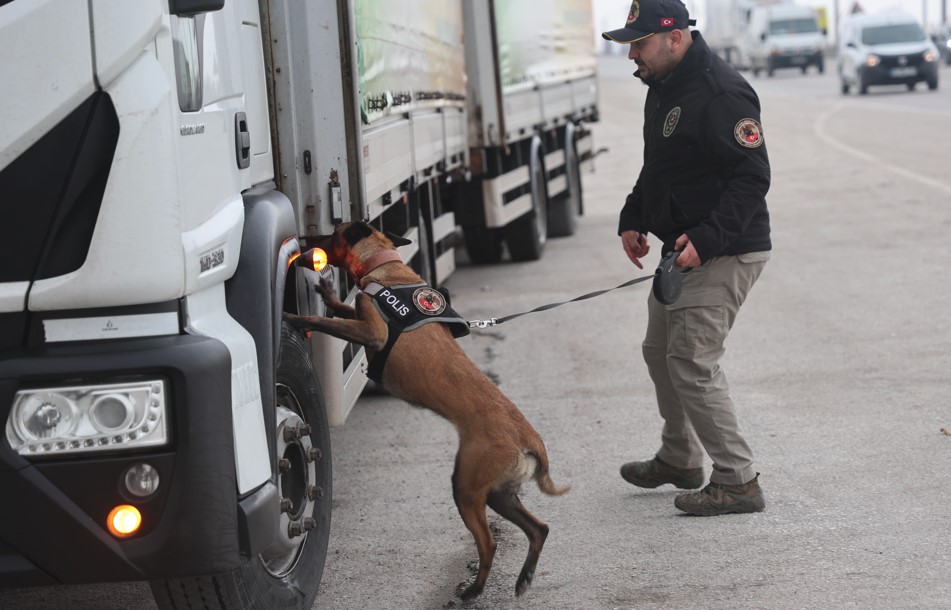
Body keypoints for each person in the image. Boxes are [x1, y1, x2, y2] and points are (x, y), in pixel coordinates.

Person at [602, 0, 772, 516]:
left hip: (725, 249)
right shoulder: (665, 86)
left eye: (640, 42)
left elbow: (752, 177)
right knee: (661, 352)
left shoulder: (721, 93)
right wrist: (633, 217)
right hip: (683, 250)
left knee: (692, 363)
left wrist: (707, 238)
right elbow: (662, 166)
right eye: (630, 44)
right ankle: (679, 458)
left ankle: (738, 481)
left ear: (675, 37)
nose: (633, 54)